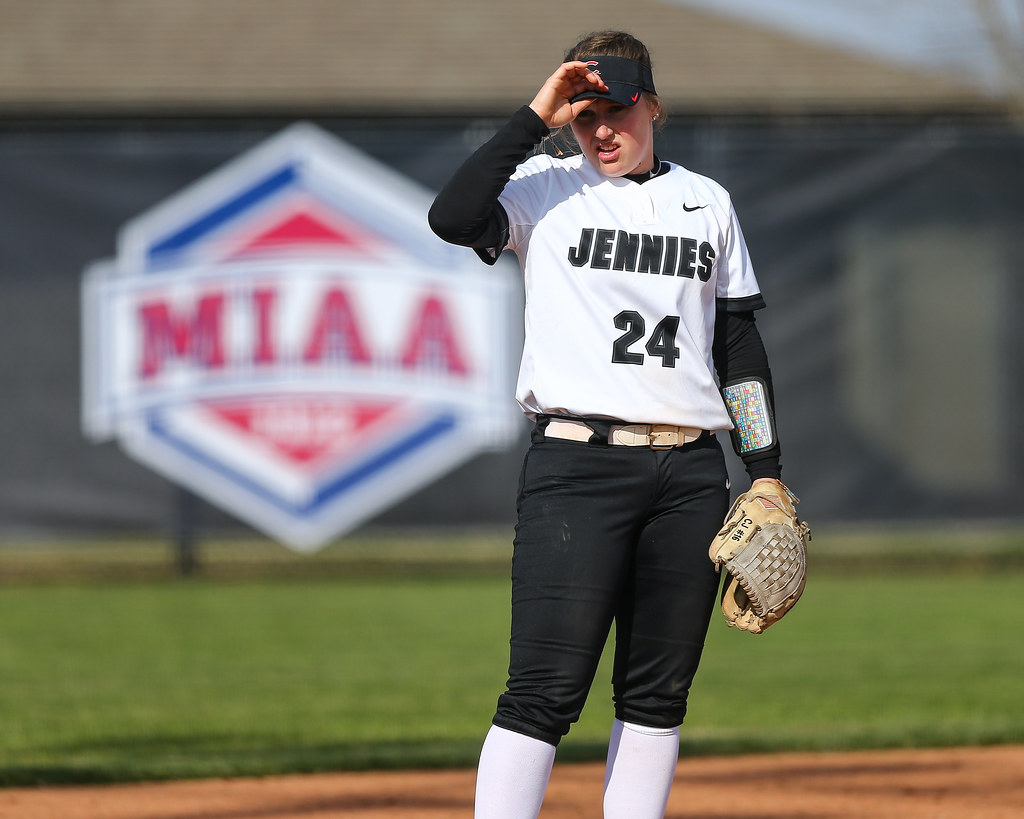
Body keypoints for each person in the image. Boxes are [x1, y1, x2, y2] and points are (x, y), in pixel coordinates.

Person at [429, 30, 789, 819]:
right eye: (584, 114)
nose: (601, 131)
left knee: (658, 694)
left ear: (653, 106)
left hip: (689, 474)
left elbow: (737, 348)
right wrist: (537, 115)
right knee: (543, 690)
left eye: (617, 111)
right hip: (577, 468)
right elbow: (452, 217)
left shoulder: (707, 201)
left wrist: (764, 469)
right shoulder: (543, 188)